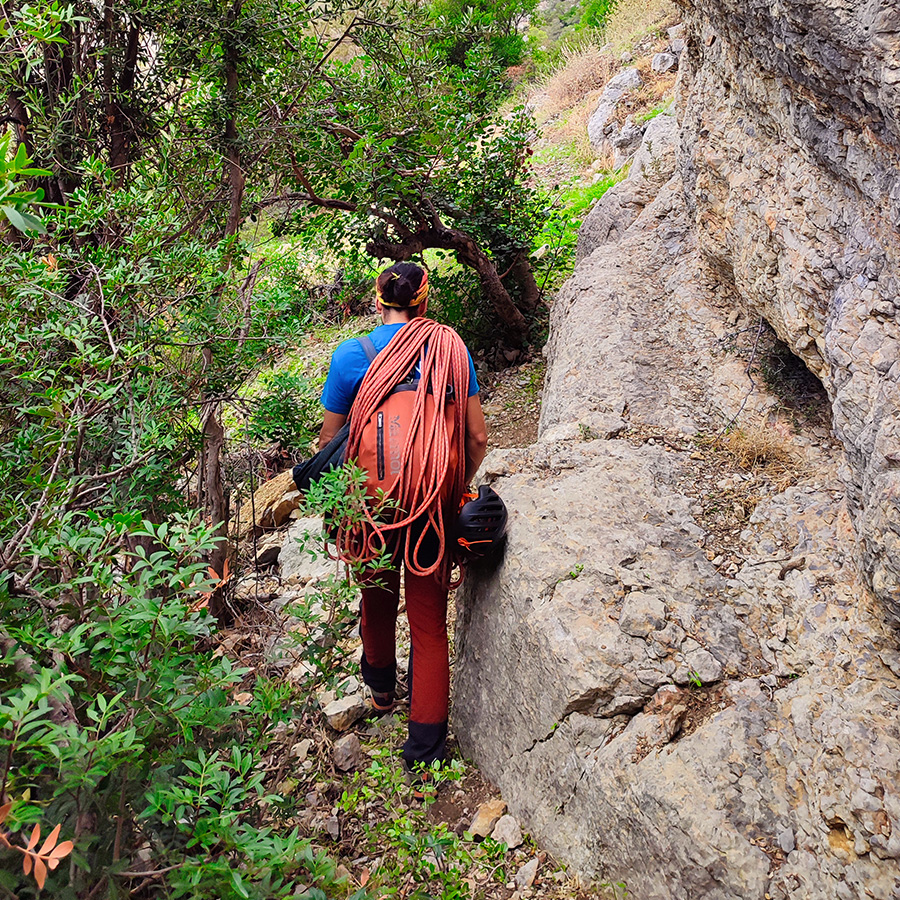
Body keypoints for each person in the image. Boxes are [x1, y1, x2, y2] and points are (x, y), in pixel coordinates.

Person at [318, 262, 488, 775]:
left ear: (378, 301)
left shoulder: (351, 356)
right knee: (429, 625)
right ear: (424, 301)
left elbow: (329, 444)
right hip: (431, 507)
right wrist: (447, 483)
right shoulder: (450, 351)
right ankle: (425, 751)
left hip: (370, 507)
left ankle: (381, 689)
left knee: (375, 593)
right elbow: (476, 439)